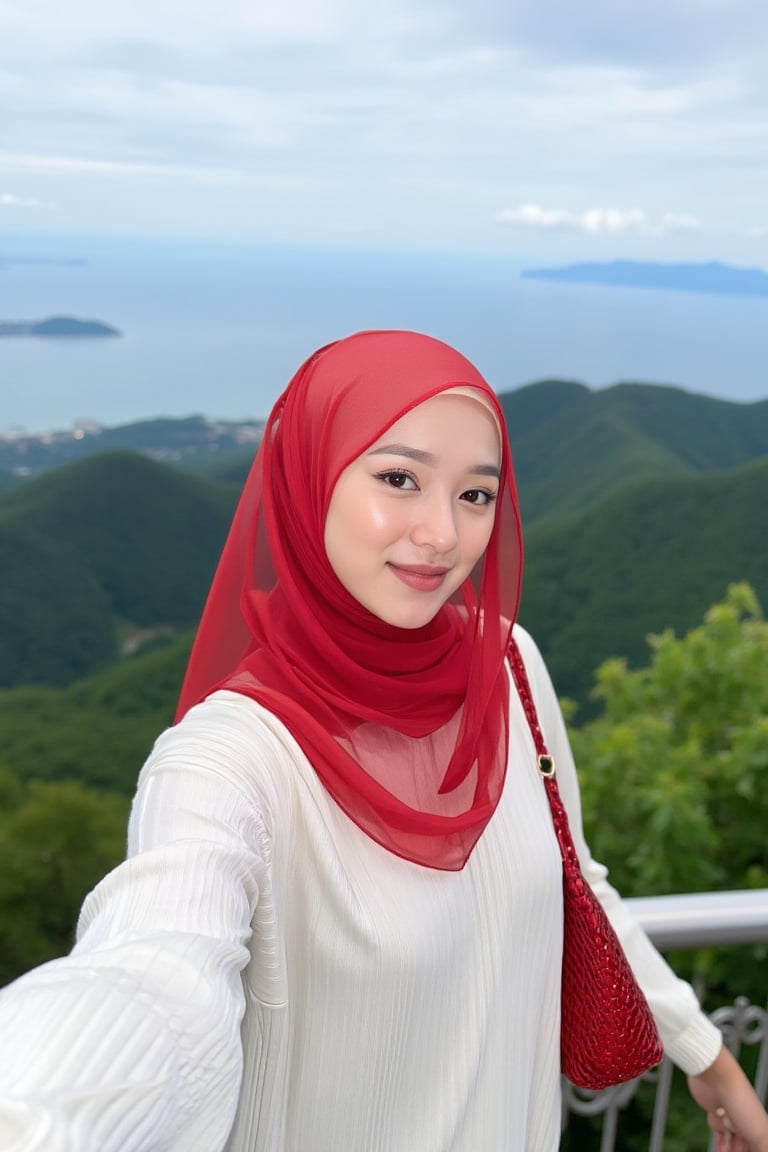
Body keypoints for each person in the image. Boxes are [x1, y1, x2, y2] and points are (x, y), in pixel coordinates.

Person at [0, 329, 766, 1152]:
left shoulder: (506, 663)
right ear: (310, 481)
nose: (443, 533)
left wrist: (704, 1051)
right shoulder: (227, 759)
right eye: (399, 479)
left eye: (476, 494)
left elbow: (579, 877)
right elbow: (154, 974)